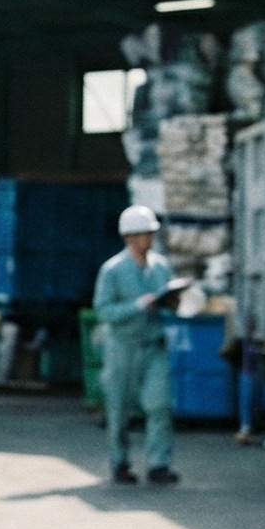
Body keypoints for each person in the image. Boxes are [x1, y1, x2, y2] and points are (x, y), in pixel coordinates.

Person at [94, 206, 179, 485]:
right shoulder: (112, 271)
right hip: (122, 346)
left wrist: (174, 302)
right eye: (144, 234)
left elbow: (168, 300)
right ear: (129, 237)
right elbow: (104, 310)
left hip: (152, 344)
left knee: (160, 404)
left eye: (151, 233)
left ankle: (158, 464)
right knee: (119, 409)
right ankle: (119, 461)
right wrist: (138, 306)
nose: (150, 239)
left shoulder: (161, 267)